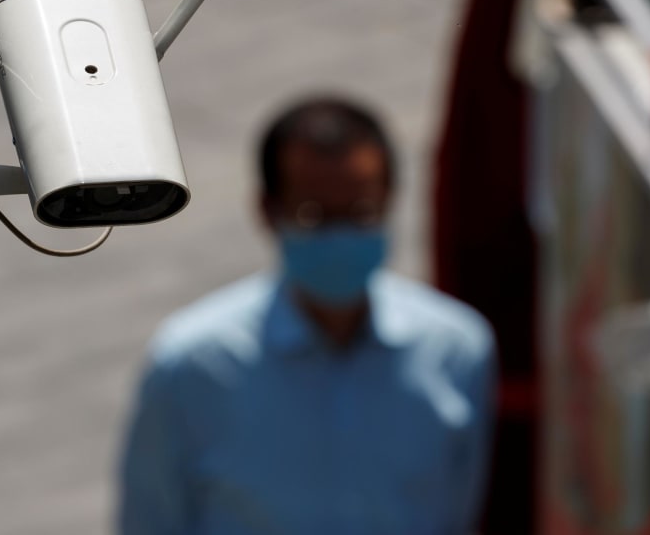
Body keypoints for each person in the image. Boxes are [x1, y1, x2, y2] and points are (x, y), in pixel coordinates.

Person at [117, 95, 497, 535]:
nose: (340, 236)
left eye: (360, 213)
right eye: (314, 215)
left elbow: (459, 509)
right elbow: (150, 520)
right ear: (267, 211)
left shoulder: (457, 350)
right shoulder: (191, 364)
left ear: (389, 200)